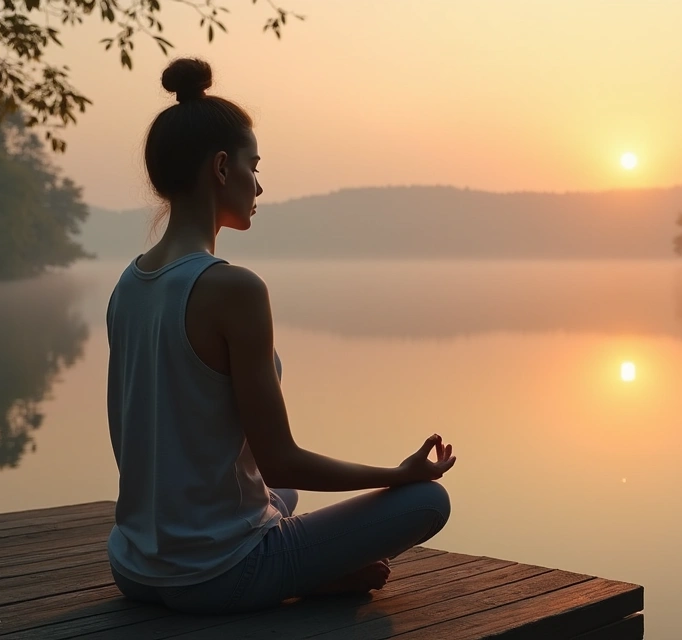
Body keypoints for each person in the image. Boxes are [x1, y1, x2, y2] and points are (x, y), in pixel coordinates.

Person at [105, 57, 455, 615]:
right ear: (222, 168)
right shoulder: (233, 288)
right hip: (219, 574)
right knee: (427, 502)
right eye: (254, 165)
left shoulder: (129, 284)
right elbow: (282, 461)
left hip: (134, 566)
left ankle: (308, 566)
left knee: (281, 499)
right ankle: (312, 576)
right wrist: (399, 474)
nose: (260, 184)